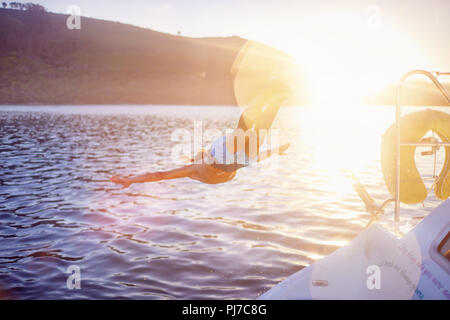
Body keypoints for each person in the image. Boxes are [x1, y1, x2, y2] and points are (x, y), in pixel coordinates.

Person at [110, 78, 291, 187]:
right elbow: (159, 175)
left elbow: (159, 176)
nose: (197, 153)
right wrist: (130, 180)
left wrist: (131, 180)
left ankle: (278, 96)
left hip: (240, 162)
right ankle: (271, 92)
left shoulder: (196, 170)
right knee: (248, 125)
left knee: (261, 126)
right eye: (198, 154)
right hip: (229, 161)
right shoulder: (197, 166)